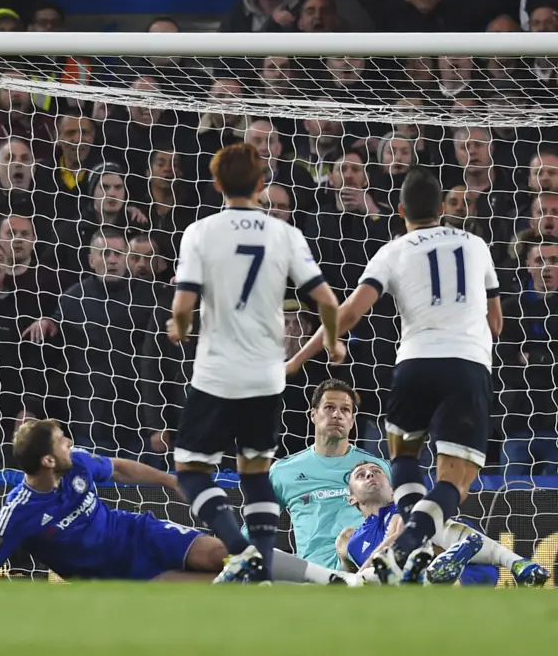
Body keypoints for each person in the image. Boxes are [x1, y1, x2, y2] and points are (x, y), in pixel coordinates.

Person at [287, 165, 503, 582]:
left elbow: (349, 311)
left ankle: (411, 544)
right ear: (443, 207)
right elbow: (496, 322)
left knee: (403, 455)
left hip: (413, 366)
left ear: (400, 209)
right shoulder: (476, 244)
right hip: (466, 366)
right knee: (454, 483)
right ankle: (408, 543)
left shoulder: (393, 250)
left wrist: (298, 359)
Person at [172, 142, 341, 583]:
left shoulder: (201, 231)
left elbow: (184, 302)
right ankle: (261, 568)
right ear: (262, 185)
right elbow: (326, 299)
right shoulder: (284, 234)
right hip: (266, 376)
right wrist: (334, 342)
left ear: (216, 184)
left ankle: (241, 547)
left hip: (216, 372)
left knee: (191, 472)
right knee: (256, 472)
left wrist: (181, 327)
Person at [0, 419, 225, 581]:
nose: (69, 442)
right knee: (219, 583)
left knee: (223, 555)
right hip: (117, 577)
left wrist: (170, 481)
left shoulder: (77, 461)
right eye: (60, 441)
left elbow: (118, 469)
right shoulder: (18, 511)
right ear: (48, 461)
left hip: (138, 533)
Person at [338, 461, 549, 586]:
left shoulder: (407, 506)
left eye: (377, 472)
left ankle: (516, 563)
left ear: (392, 489)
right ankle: (432, 574)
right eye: (361, 475)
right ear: (352, 498)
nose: (370, 475)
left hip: (473, 565)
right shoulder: (351, 541)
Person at [268, 379, 390, 569]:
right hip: (313, 575)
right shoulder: (284, 471)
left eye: (345, 410)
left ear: (352, 420)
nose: (337, 415)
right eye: (329, 407)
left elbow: (397, 516)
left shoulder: (375, 469)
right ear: (313, 414)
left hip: (366, 566)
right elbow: (256, 524)